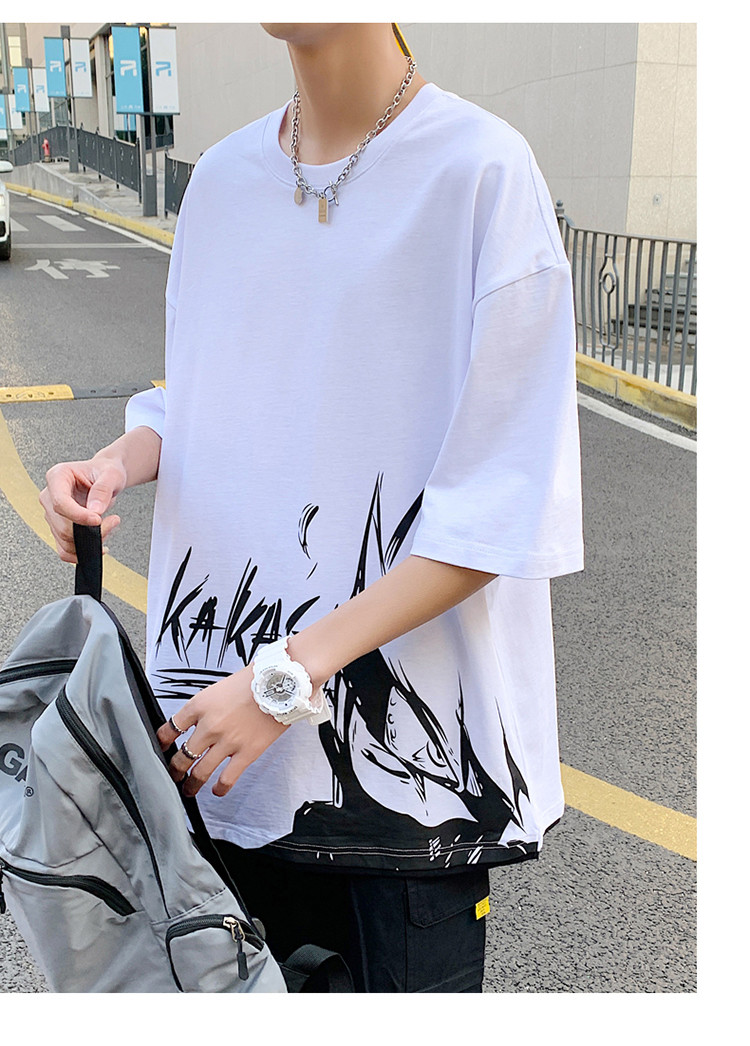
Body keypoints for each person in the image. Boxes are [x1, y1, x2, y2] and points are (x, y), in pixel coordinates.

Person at [39, 22, 584, 993]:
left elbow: (498, 509)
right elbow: (201, 393)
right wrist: (117, 461)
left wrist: (284, 679)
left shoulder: (483, 173)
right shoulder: (221, 181)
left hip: (400, 802)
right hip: (207, 754)